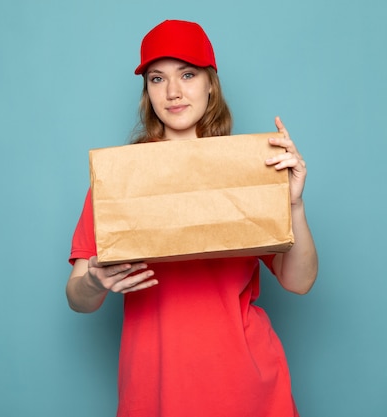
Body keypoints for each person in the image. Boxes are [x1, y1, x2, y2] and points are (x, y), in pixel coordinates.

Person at [66, 19, 318, 417]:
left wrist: (294, 206)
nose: (173, 92)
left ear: (210, 84)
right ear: (147, 91)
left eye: (187, 74)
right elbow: (77, 296)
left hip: (247, 389)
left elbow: (298, 281)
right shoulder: (118, 177)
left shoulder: (250, 165)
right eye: (156, 78)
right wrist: (94, 282)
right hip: (155, 389)